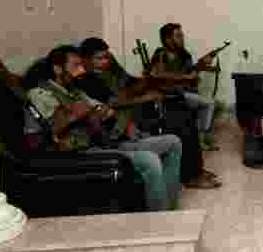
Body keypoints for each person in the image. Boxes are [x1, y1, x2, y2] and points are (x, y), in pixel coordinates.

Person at [27, 45, 184, 211]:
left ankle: (168, 208)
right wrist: (73, 117)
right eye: (75, 66)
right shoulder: (40, 94)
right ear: (57, 69)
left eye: (81, 66)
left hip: (104, 141)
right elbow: (41, 135)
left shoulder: (75, 91)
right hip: (77, 152)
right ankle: (159, 218)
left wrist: (114, 118)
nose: (81, 71)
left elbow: (104, 110)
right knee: (149, 160)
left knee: (173, 142)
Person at [76, 37, 221, 189]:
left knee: (184, 114)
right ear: (85, 60)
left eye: (107, 57)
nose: (105, 61)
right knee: (180, 123)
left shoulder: (110, 71)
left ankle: (195, 170)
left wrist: (148, 80)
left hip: (135, 110)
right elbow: (113, 102)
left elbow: (131, 84)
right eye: (99, 58)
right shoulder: (87, 80)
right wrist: (145, 97)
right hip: (124, 119)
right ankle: (191, 175)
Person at [150, 23, 219, 152]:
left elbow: (190, 76)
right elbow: (156, 75)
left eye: (182, 35)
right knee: (208, 103)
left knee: (212, 104)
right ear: (167, 39)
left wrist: (200, 69)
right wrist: (185, 77)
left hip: (183, 93)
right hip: (166, 95)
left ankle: (200, 138)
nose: (182, 38)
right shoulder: (160, 54)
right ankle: (200, 139)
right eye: (178, 36)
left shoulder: (185, 55)